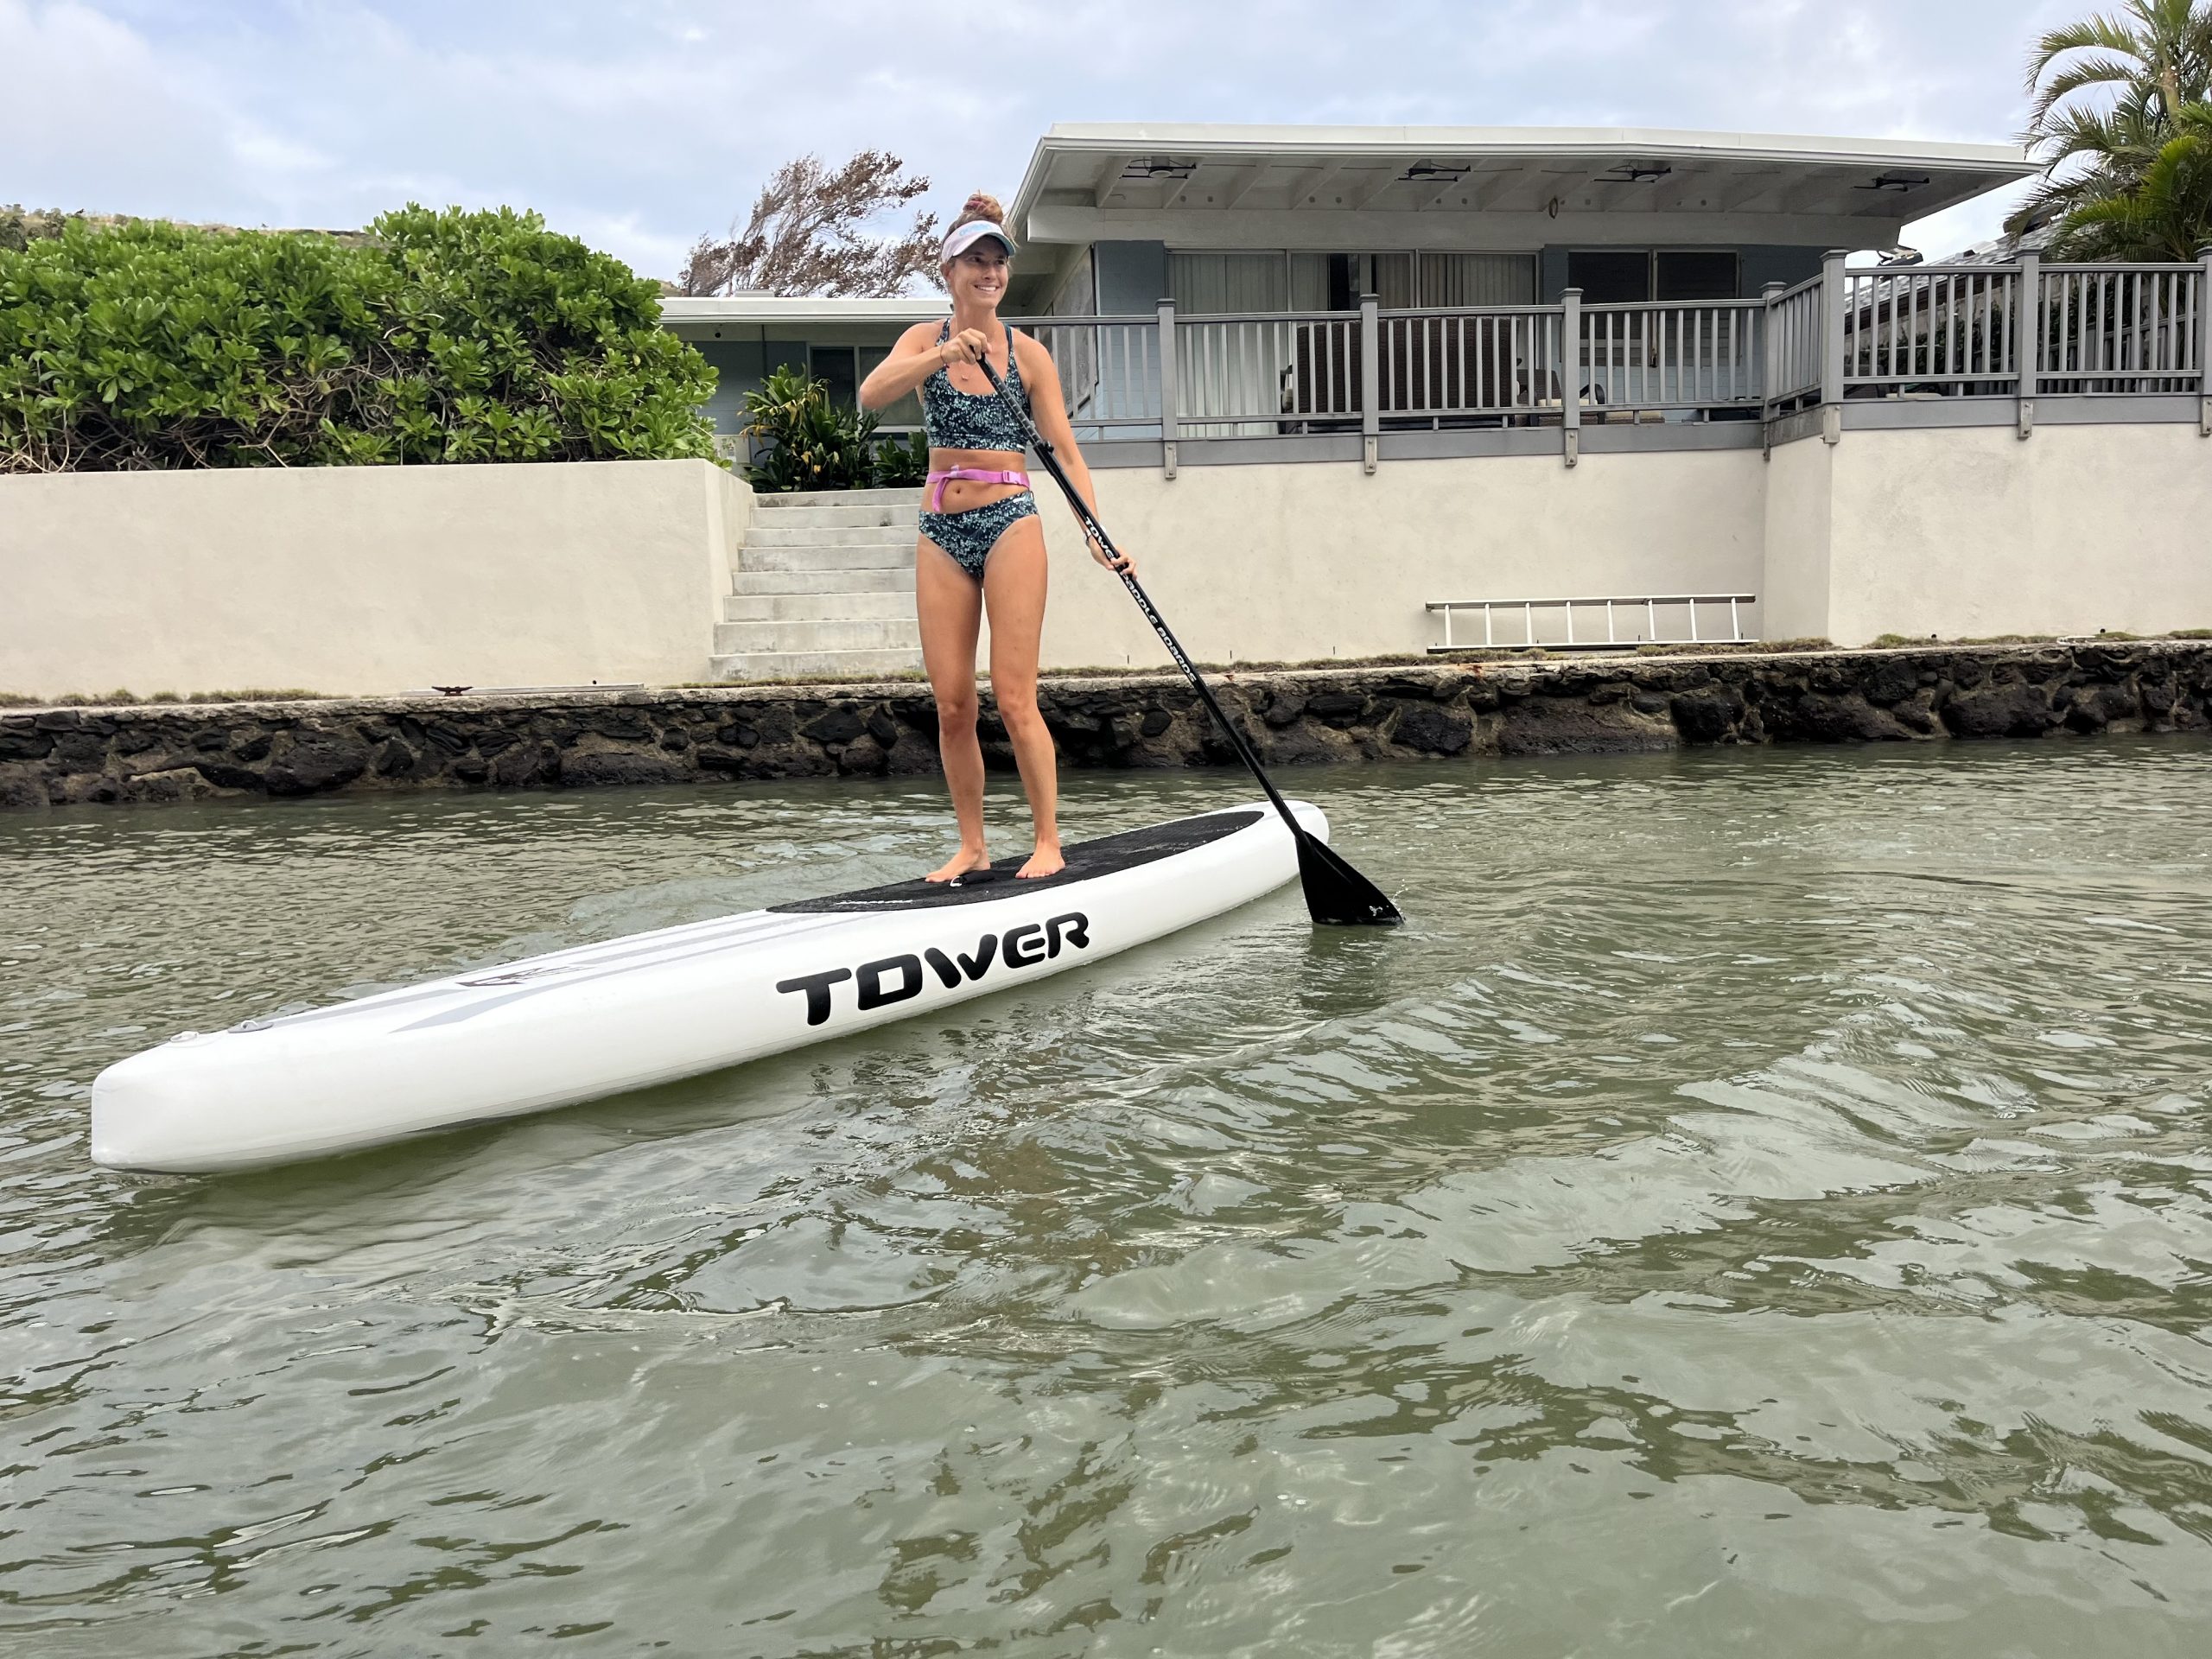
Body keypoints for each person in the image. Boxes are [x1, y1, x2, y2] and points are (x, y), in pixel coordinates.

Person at [858, 193, 1130, 883]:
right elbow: (871, 395)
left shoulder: (1028, 354)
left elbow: (1065, 454)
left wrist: (1094, 532)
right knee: (952, 703)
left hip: (1011, 520)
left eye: (997, 262)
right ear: (948, 271)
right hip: (941, 527)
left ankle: (1047, 841)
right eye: (975, 261)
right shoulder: (924, 341)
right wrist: (945, 351)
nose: (989, 272)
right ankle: (973, 846)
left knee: (1014, 697)